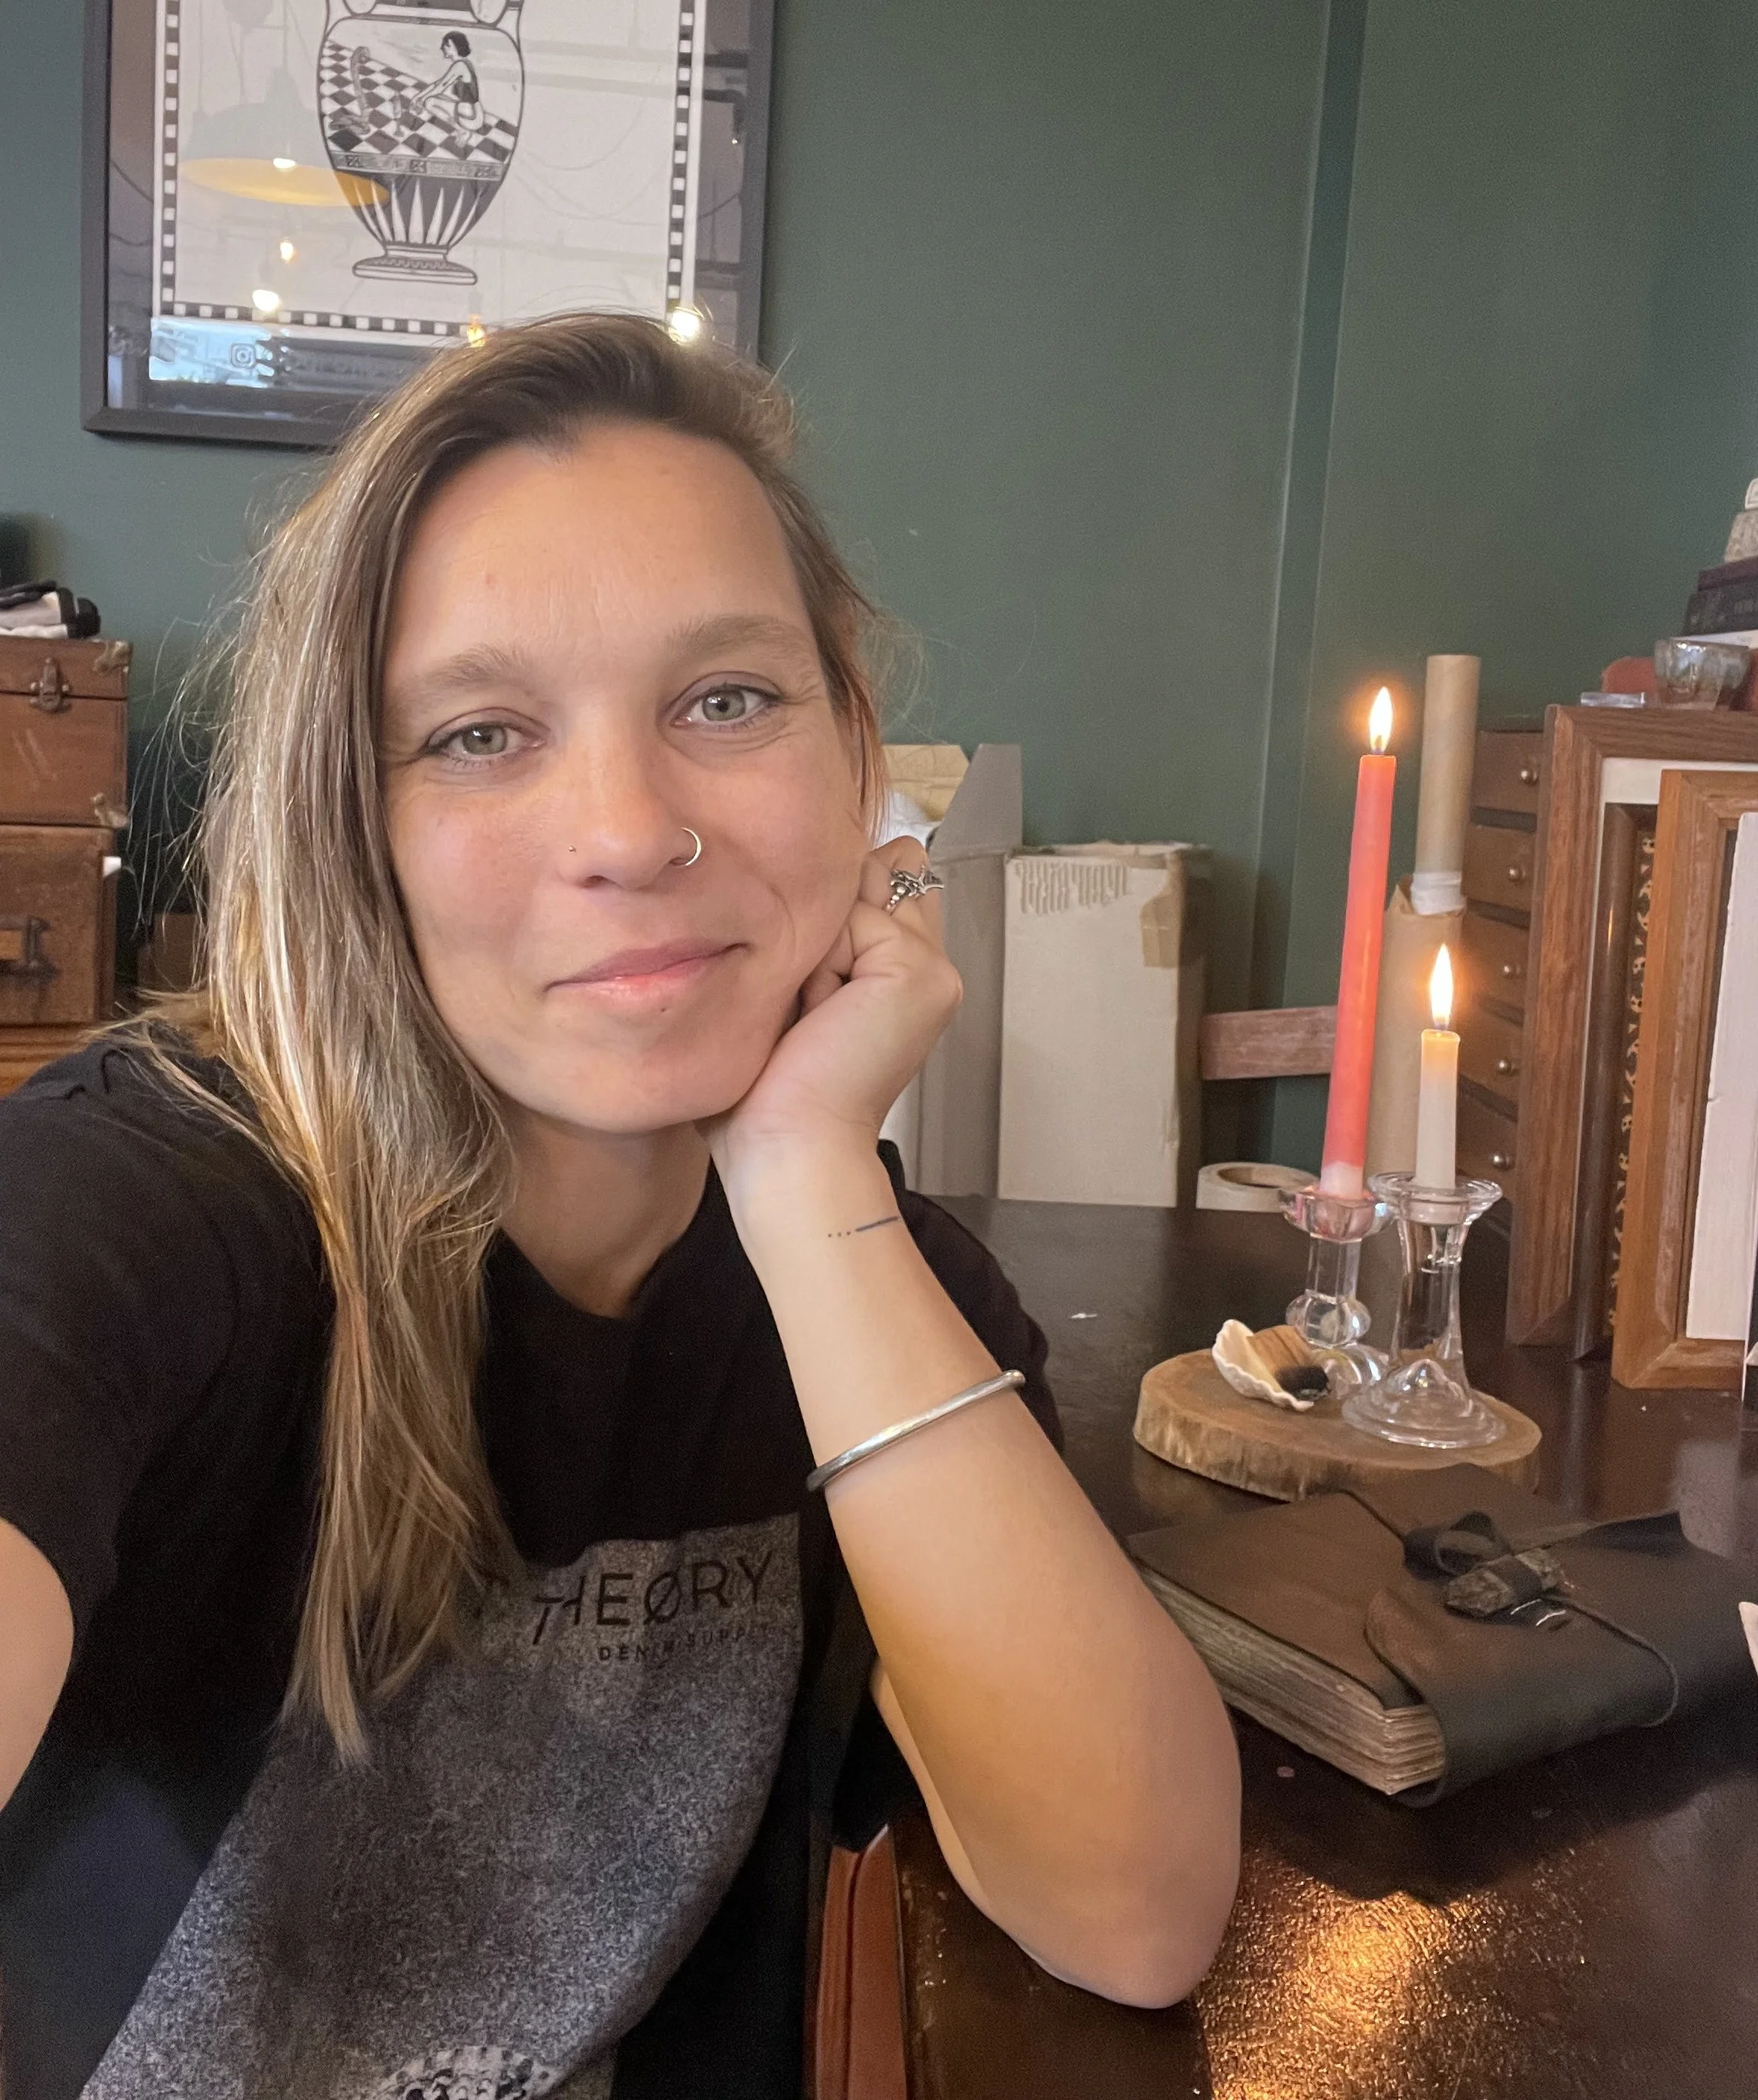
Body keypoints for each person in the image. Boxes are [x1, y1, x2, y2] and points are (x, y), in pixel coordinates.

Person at [0, 315, 1240, 2100]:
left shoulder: (874, 1293)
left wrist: (811, 1176)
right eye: (482, 732)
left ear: (856, 752)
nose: (629, 826)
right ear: (350, 818)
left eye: (726, 700)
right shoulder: (148, 1201)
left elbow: (1135, 1905)